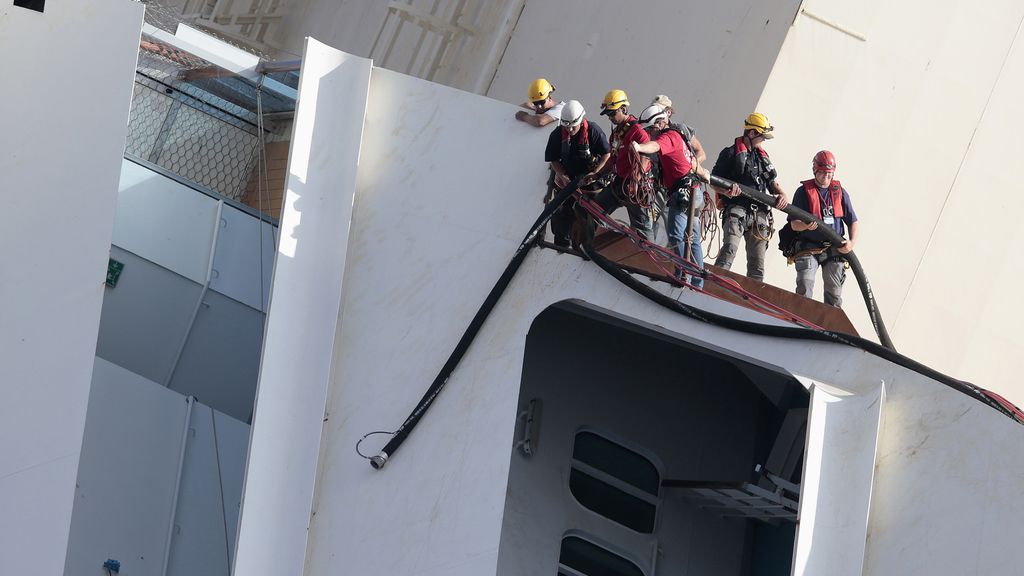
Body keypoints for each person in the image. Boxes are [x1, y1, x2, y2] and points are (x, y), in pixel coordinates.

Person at [632, 104, 710, 288]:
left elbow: (655, 145)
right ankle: (697, 282)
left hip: (683, 194)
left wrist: (639, 147)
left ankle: (684, 275)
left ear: (659, 124)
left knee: (676, 235)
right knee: (693, 238)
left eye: (651, 129)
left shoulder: (668, 137)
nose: (649, 133)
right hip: (693, 190)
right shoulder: (678, 135)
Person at [711, 112, 789, 281]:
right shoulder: (730, 153)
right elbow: (713, 180)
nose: (764, 141)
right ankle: (714, 285)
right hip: (736, 210)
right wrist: (726, 191)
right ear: (752, 133)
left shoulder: (762, 158)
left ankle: (752, 300)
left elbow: (771, 181)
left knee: (757, 263)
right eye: (762, 136)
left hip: (759, 215)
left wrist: (781, 194)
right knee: (729, 250)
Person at [788, 150, 859, 308]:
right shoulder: (802, 192)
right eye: (822, 173)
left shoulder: (840, 193)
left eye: (829, 173)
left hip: (834, 249)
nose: (826, 177)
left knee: (834, 292)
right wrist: (806, 225)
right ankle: (801, 320)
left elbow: (853, 221)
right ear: (815, 170)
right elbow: (794, 223)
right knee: (805, 284)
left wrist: (851, 243)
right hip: (809, 247)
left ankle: (831, 327)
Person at [543, 100, 611, 248]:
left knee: (588, 215)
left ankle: (586, 247)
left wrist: (595, 173)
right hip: (567, 179)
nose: (570, 129)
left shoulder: (593, 131)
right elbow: (553, 159)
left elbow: (607, 154)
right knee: (560, 210)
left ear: (581, 120)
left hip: (590, 181)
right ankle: (561, 245)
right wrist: (562, 176)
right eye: (567, 126)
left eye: (573, 126)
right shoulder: (557, 134)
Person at [591, 89, 656, 240]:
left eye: (613, 113)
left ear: (624, 109)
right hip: (620, 183)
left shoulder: (637, 131)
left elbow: (646, 157)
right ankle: (594, 244)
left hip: (636, 187)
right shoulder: (617, 133)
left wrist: (635, 180)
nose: (610, 118)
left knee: (643, 231)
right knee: (594, 210)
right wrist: (598, 174)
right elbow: (613, 159)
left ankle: (648, 259)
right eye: (608, 114)